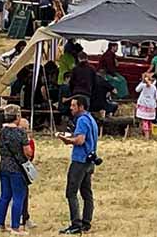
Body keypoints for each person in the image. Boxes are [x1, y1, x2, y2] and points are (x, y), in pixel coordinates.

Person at [57, 95, 98, 234]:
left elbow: (80, 140)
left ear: (81, 107)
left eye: (73, 105)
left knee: (71, 192)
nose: (71, 108)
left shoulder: (81, 120)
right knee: (87, 193)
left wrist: (67, 140)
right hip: (90, 160)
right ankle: (86, 222)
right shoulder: (91, 119)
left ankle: (76, 224)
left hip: (80, 160)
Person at [0, 104, 31, 234]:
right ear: (17, 116)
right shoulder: (20, 132)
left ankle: (0, 224)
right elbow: (28, 152)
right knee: (18, 197)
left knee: (4, 195)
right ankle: (15, 226)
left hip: (4, 165)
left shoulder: (2, 131)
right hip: (17, 168)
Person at [16, 118, 36, 231]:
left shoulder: (29, 141)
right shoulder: (14, 138)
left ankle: (25, 217)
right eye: (22, 128)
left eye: (26, 129)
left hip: (24, 170)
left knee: (24, 195)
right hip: (14, 169)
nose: (24, 131)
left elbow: (31, 156)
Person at [135, 72, 157, 140]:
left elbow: (136, 90)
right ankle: (150, 135)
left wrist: (142, 82)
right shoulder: (154, 87)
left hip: (143, 105)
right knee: (149, 121)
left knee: (144, 121)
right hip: (151, 106)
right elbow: (156, 97)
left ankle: (146, 136)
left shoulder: (143, 85)